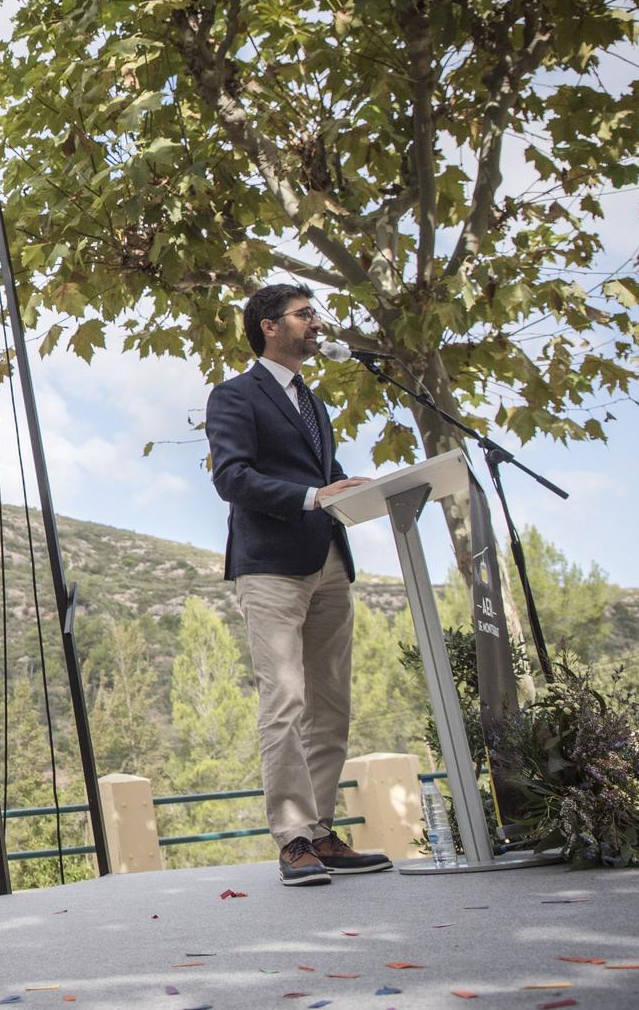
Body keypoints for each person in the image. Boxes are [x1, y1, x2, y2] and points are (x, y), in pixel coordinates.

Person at [205, 283, 392, 886]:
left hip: (330, 563)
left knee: (331, 702)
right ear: (268, 325)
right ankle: (291, 838)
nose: (316, 323)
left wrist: (355, 489)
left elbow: (325, 478)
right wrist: (313, 496)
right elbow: (233, 478)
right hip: (271, 567)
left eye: (314, 314)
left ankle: (321, 832)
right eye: (304, 314)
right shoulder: (234, 396)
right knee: (284, 700)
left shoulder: (315, 405)